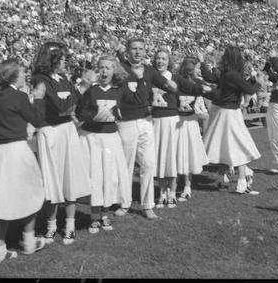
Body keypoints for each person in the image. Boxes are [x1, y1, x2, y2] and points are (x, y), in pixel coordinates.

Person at [0, 59, 46, 263]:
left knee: (2, 199)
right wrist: (39, 99)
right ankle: (29, 241)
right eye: (23, 72)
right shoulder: (19, 96)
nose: (26, 76)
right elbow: (37, 120)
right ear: (14, 75)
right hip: (16, 149)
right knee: (31, 193)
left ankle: (0, 248)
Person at [76, 55, 147, 233]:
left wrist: (140, 79)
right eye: (101, 67)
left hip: (110, 138)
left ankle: (105, 214)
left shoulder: (119, 89)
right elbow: (79, 111)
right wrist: (92, 115)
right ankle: (94, 216)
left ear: (114, 70)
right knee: (95, 176)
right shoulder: (91, 89)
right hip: (92, 137)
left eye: (108, 68)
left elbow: (138, 100)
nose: (104, 71)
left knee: (110, 176)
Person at [32, 41, 92, 245]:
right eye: (63, 57)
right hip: (51, 132)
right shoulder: (40, 80)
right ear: (52, 59)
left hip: (67, 131)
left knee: (70, 177)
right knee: (53, 180)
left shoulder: (64, 79)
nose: (66, 61)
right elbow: (60, 107)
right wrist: (82, 87)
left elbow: (75, 106)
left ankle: (70, 224)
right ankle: (51, 225)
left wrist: (80, 98)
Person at [115, 38, 178, 219]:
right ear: (127, 50)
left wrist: (172, 86)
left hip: (145, 121)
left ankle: (147, 204)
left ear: (145, 51)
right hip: (126, 122)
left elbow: (165, 83)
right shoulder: (120, 68)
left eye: (141, 49)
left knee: (148, 164)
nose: (137, 52)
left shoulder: (149, 70)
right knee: (126, 165)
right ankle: (124, 202)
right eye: (134, 49)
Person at [151, 48, 211, 208]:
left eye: (164, 58)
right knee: (159, 158)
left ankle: (172, 192)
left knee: (171, 157)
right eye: (158, 58)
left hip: (171, 121)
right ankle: (161, 192)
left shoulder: (174, 77)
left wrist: (205, 90)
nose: (160, 61)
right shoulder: (150, 76)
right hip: (156, 121)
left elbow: (190, 87)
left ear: (168, 61)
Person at [203, 46, 262, 194]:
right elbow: (248, 90)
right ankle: (242, 182)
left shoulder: (226, 74)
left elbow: (211, 78)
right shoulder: (232, 75)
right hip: (231, 112)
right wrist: (258, 82)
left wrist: (252, 80)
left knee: (225, 146)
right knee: (240, 146)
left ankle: (223, 179)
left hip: (224, 111)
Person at [176, 56, 210, 202]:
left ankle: (187, 186)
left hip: (191, 122)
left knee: (189, 155)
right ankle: (174, 185)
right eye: (196, 68)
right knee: (178, 154)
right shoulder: (177, 81)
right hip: (177, 121)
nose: (198, 70)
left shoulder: (198, 83)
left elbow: (208, 98)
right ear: (190, 69)